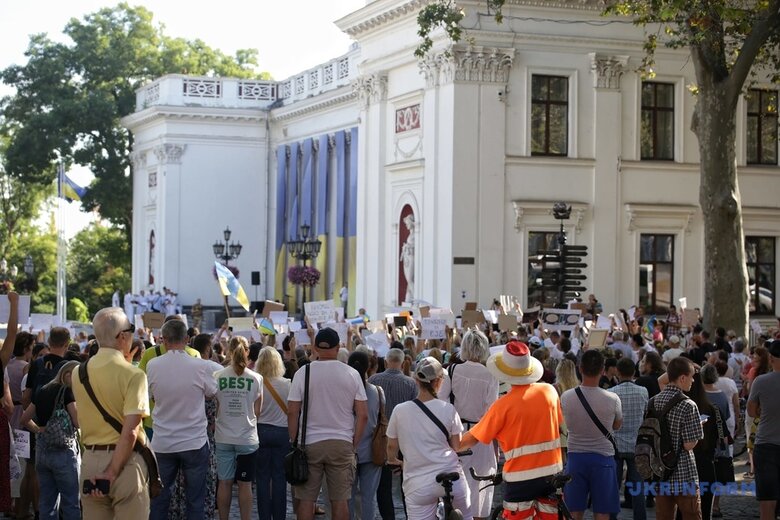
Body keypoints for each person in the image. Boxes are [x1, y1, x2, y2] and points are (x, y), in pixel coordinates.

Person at [459, 341, 562, 519]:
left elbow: (473, 438)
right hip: (552, 472)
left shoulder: (502, 406)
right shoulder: (550, 391)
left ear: (505, 373)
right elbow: (558, 422)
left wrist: (448, 444)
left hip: (520, 478)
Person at [71, 307, 151, 519]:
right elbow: (131, 430)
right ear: (123, 336)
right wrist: (112, 472)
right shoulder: (134, 375)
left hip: (90, 459)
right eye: (131, 330)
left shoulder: (78, 372)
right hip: (125, 461)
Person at [287, 327, 368, 520]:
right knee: (339, 501)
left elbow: (292, 410)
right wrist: (354, 443)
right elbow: (363, 415)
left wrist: (294, 439)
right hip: (341, 442)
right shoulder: (352, 374)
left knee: (307, 500)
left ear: (315, 347)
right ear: (338, 346)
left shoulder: (302, 373)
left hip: (309, 443)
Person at [146, 318, 218, 520]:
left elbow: (151, 394)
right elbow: (212, 393)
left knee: (159, 498)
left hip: (163, 442)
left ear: (163, 340)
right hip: (193, 441)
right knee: (195, 500)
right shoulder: (201, 366)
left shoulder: (153, 365)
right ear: (187, 339)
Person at [386, 357, 471, 520]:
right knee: (466, 516)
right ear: (439, 381)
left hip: (418, 483)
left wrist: (393, 460)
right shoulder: (448, 409)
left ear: (416, 380)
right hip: (451, 477)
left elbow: (391, 447)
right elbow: (457, 445)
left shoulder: (400, 410)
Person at [438, 330, 498, 520]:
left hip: (457, 432)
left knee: (457, 479)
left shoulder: (452, 371)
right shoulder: (491, 374)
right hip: (481, 432)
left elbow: (442, 403)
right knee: (481, 482)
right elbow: (491, 408)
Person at [560, 349, 622, 520]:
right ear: (603, 370)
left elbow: (564, 422)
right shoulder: (613, 399)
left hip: (575, 458)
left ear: (580, 368)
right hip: (603, 459)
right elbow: (617, 425)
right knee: (602, 511)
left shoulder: (566, 397)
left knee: (573, 510)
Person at [19, 361, 81, 520]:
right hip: (64, 452)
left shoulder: (43, 390)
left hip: (42, 450)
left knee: (47, 502)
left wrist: (39, 429)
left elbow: (24, 419)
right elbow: (77, 422)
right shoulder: (67, 392)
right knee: (70, 502)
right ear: (68, 375)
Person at [213, 336, 262, 520]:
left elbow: (216, 407)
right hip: (247, 438)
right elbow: (258, 411)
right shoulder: (257, 378)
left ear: (229, 351)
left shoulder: (218, 376)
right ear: (247, 351)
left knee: (224, 484)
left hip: (223, 436)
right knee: (245, 484)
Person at [367, 347, 418, 520]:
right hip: (405, 438)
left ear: (386, 361)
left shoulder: (373, 379)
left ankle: (389, 517)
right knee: (407, 481)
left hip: (381, 437)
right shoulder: (410, 383)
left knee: (383, 485)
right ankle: (410, 514)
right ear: (403, 363)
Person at [652, 357, 703, 519]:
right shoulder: (688, 405)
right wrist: (699, 426)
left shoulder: (653, 401)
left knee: (663, 516)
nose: (693, 380)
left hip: (660, 471)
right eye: (691, 376)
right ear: (682, 378)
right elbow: (688, 445)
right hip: (683, 473)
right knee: (692, 515)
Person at [608, 357, 648, 520]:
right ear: (634, 372)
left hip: (616, 445)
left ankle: (612, 517)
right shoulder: (643, 391)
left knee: (613, 487)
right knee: (638, 487)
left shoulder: (611, 392)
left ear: (618, 371)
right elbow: (645, 414)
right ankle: (640, 517)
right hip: (636, 444)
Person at [255, 346, 291, 520]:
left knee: (261, 477)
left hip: (260, 431)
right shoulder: (287, 384)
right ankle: (279, 516)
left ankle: (263, 516)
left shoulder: (256, 383)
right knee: (279, 477)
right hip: (282, 432)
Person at [347, 351, 383, 520]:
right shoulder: (377, 391)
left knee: (349, 496)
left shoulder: (344, 391)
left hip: (348, 449)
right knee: (369, 497)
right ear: (368, 367)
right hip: (372, 449)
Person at [747, 339, 780, 520]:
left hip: (766, 443)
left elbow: (752, 411)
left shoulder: (761, 381)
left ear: (771, 358)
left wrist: (765, 408)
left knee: (767, 501)